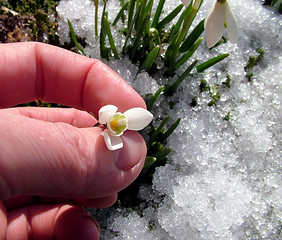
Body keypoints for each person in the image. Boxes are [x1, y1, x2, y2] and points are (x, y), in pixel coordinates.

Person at [0, 42, 147, 240]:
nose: (116, 123)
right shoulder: (107, 122)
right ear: (108, 120)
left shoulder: (117, 121)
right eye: (114, 123)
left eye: (118, 123)